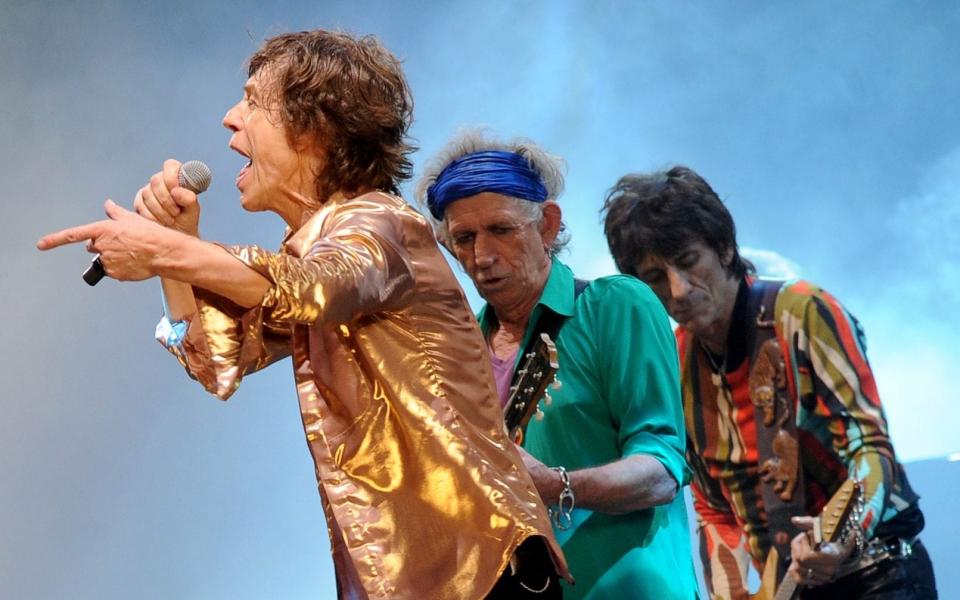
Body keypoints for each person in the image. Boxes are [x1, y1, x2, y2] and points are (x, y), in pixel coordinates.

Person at [37, 30, 571, 600]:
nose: (228, 118)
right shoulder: (307, 251)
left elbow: (314, 289)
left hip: (482, 565)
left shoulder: (385, 225)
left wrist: (162, 250)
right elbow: (216, 362)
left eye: (251, 100)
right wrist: (174, 250)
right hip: (403, 577)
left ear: (312, 125)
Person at [601, 166, 937, 599]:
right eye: (655, 278)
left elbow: (869, 449)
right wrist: (734, 592)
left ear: (723, 247)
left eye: (688, 263)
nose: (679, 291)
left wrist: (839, 536)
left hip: (878, 570)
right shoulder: (674, 359)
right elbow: (714, 506)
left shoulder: (803, 312)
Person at [415, 131, 699, 600]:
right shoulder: (457, 360)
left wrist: (556, 485)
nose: (482, 256)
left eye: (501, 230)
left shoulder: (614, 307)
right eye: (464, 239)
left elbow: (662, 469)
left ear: (547, 224)